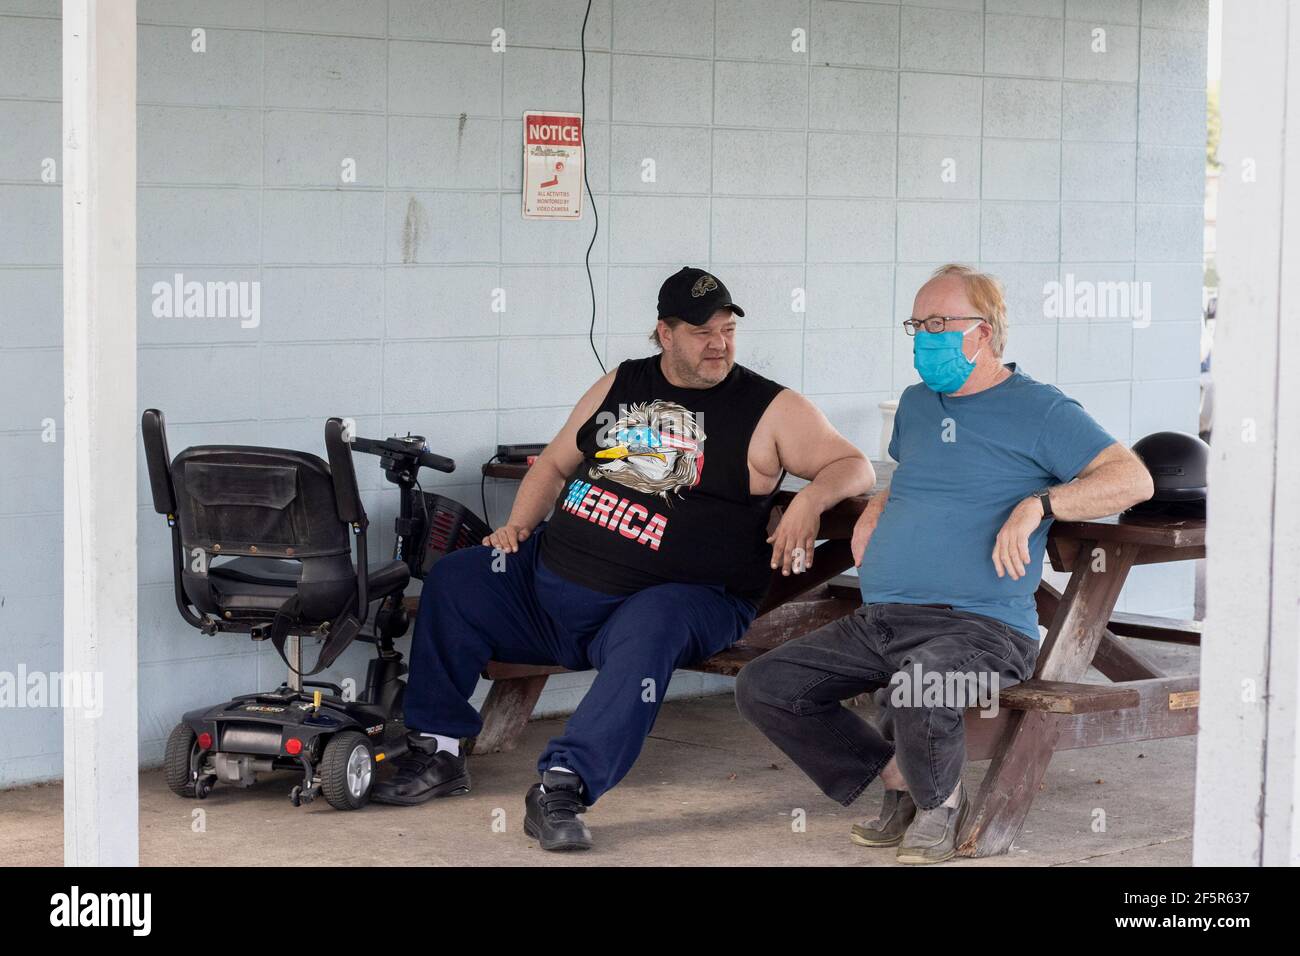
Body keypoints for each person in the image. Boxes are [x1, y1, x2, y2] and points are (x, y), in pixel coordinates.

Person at [374, 266, 874, 852]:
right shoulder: (622, 383)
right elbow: (557, 463)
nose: (719, 343)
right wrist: (516, 526)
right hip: (548, 587)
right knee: (460, 577)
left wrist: (809, 501)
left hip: (681, 597)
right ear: (663, 333)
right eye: (700, 331)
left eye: (727, 329)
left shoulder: (770, 407)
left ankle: (564, 785)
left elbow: (854, 465)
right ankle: (439, 750)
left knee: (654, 625)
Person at [735, 263, 1154, 864]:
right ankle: (897, 777)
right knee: (766, 685)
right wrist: (881, 502)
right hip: (882, 618)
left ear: (983, 333)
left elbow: (1130, 479)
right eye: (917, 323)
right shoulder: (916, 403)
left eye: (939, 322)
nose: (925, 335)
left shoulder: (1041, 409)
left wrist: (1038, 506)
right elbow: (920, 473)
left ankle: (940, 804)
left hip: (984, 630)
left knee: (921, 685)